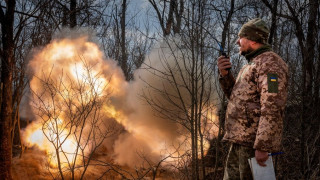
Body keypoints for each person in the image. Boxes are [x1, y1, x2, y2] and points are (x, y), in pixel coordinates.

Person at [217, 18, 288, 180]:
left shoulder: (271, 64)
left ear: (252, 40)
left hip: (252, 145)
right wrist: (225, 76)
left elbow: (273, 106)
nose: (237, 41)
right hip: (239, 142)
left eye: (240, 37)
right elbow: (238, 99)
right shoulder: (251, 65)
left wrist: (263, 146)